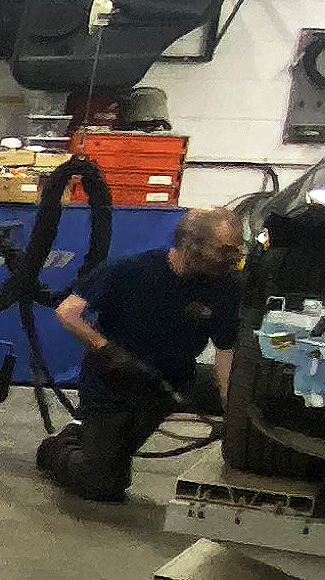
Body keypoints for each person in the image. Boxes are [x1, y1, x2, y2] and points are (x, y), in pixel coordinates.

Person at [37, 205, 246, 502]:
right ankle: (56, 449)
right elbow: (67, 312)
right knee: (103, 485)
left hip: (170, 383)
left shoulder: (225, 287)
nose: (233, 259)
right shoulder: (130, 271)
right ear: (190, 245)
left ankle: (95, 439)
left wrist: (233, 411)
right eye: (224, 251)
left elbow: (225, 351)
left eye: (237, 249)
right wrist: (106, 349)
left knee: (253, 398)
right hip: (114, 385)